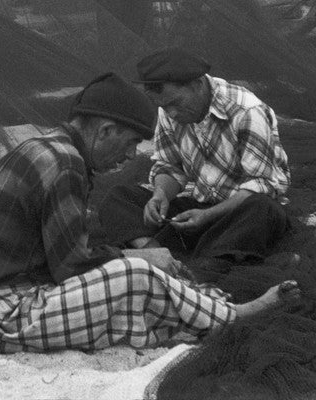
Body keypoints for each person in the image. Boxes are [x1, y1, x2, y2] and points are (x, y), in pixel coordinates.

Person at [0, 72, 300, 353]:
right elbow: (71, 267)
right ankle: (233, 316)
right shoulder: (64, 165)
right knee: (135, 277)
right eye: (131, 143)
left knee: (134, 285)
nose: (132, 156)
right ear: (105, 131)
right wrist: (141, 259)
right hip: (3, 314)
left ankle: (199, 305)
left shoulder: (49, 147)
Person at [98, 47, 291, 272]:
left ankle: (201, 269)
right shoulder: (169, 111)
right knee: (119, 197)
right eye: (164, 107)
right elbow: (169, 165)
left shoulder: (246, 111)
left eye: (176, 104)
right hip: (199, 207)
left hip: (239, 212)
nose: (171, 114)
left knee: (262, 210)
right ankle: (156, 253)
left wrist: (208, 216)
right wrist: (161, 195)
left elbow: (261, 186)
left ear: (197, 84)